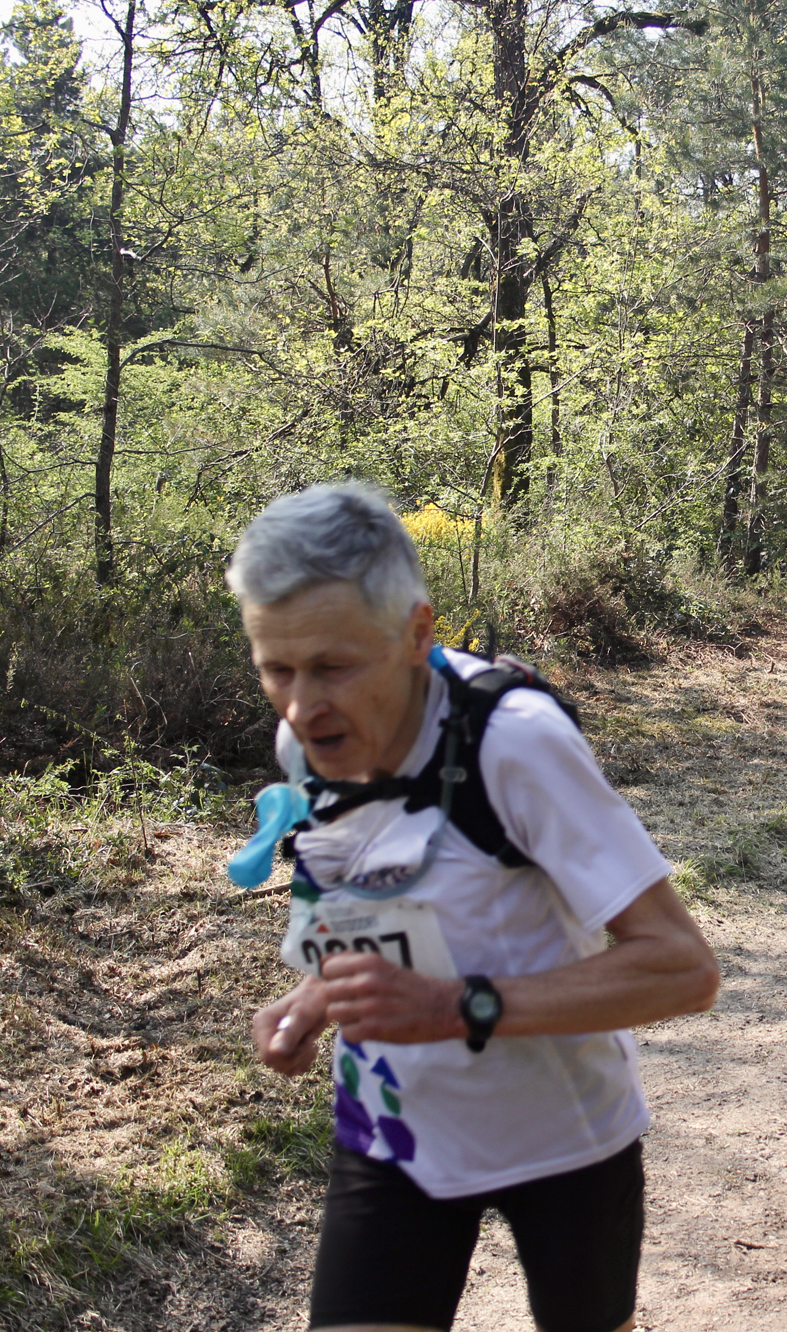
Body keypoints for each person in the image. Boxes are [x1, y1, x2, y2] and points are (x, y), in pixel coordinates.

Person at [225, 482, 721, 1332]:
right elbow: (379, 902)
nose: (302, 704)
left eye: (334, 666)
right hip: (394, 1132)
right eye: (277, 668)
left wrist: (458, 1006)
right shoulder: (307, 742)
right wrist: (318, 996)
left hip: (564, 1137)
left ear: (417, 632)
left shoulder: (513, 740)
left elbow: (683, 968)